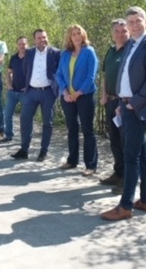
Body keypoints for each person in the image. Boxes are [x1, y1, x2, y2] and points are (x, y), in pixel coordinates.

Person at [101, 6, 146, 221]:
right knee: (142, 155)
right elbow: (124, 75)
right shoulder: (130, 44)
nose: (134, 25)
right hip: (127, 105)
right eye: (130, 22)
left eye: (138, 21)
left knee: (131, 157)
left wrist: (133, 104)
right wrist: (122, 100)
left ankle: (125, 205)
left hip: (140, 108)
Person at [55, 24, 99, 176]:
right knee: (72, 129)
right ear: (69, 37)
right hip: (67, 97)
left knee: (87, 130)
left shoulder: (89, 52)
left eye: (78, 33)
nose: (76, 36)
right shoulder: (65, 54)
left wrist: (79, 93)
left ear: (83, 35)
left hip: (85, 96)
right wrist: (65, 92)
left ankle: (90, 165)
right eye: (73, 34)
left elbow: (91, 76)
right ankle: (72, 160)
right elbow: (59, 75)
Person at [11, 29, 60, 161]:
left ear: (47, 37)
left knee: (47, 122)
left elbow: (59, 72)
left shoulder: (55, 53)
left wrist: (57, 90)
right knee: (25, 119)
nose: (42, 40)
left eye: (44, 37)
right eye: (39, 38)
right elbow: (25, 69)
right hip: (31, 92)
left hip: (48, 92)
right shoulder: (29, 53)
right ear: (34, 40)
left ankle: (43, 151)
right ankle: (24, 149)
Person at [99, 19, 130, 193]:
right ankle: (118, 173)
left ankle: (127, 179)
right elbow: (105, 76)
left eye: (123, 31)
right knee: (114, 141)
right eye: (117, 31)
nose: (120, 34)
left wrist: (122, 102)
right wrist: (104, 95)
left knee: (126, 141)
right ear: (112, 33)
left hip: (124, 103)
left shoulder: (131, 51)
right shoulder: (110, 52)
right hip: (110, 102)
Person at [1, 36, 28, 143]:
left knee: (25, 117)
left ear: (27, 44)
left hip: (25, 92)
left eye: (24, 44)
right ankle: (8, 135)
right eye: (20, 44)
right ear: (17, 45)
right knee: (7, 114)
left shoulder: (31, 57)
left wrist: (28, 86)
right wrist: (8, 84)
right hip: (13, 91)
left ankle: (25, 138)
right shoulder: (13, 57)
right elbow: (8, 72)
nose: (22, 46)